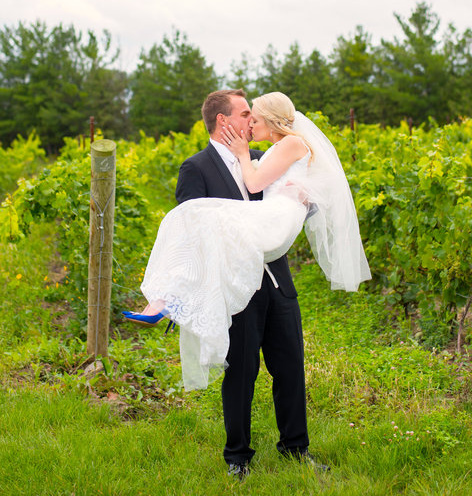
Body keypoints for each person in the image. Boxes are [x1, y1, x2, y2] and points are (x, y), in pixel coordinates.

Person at [123, 90, 371, 478]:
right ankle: (237, 458)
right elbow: (192, 230)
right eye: (245, 115)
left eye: (254, 116)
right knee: (240, 373)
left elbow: (294, 199)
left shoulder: (261, 157)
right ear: (225, 122)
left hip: (277, 281)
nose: (251, 123)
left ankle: (296, 450)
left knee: (290, 368)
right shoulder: (197, 168)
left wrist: (305, 201)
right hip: (236, 290)